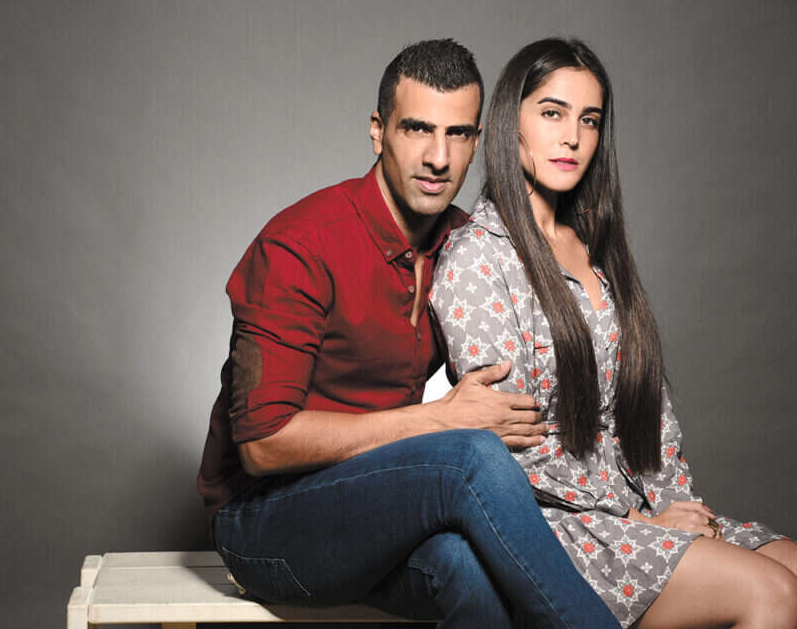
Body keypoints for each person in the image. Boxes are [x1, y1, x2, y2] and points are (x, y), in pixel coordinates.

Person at [197, 39, 619, 627]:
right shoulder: (301, 245)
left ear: (478, 141)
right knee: (470, 455)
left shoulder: (469, 248)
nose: (438, 158)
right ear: (378, 131)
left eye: (458, 134)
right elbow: (263, 444)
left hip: (381, 504)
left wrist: (635, 517)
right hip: (263, 525)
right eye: (418, 129)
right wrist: (437, 419)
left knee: (470, 570)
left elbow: (541, 409)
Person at [432, 37, 797, 628]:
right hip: (550, 525)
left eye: (589, 120)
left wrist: (678, 509)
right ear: (508, 122)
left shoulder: (595, 251)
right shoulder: (478, 257)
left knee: (793, 569)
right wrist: (636, 523)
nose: (572, 137)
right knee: (771, 593)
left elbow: (650, 414)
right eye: (552, 113)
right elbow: (505, 445)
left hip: (640, 511)